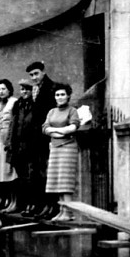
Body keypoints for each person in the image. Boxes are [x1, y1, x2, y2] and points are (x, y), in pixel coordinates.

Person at [42, 83, 81, 222]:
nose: (60, 97)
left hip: (68, 147)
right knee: (56, 180)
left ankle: (69, 212)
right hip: (55, 148)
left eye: (63, 94)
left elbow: (73, 127)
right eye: (57, 95)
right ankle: (61, 210)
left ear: (68, 96)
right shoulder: (51, 112)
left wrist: (56, 132)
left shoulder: (72, 110)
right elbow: (45, 128)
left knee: (66, 181)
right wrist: (59, 132)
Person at [26, 61, 57, 218]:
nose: (34, 77)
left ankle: (50, 207)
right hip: (35, 139)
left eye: (36, 73)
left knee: (47, 173)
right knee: (36, 174)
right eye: (31, 75)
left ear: (43, 72)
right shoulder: (35, 90)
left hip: (47, 138)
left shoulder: (52, 88)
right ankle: (40, 205)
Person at [8, 79, 36, 215]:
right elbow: (13, 125)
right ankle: (24, 204)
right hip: (18, 145)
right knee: (21, 177)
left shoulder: (34, 105)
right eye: (22, 89)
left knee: (31, 177)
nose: (24, 92)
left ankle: (32, 204)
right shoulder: (18, 105)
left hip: (30, 145)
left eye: (27, 89)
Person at [0, 79, 20, 212]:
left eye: (3, 89)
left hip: (11, 139)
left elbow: (15, 122)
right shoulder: (0, 105)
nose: (1, 92)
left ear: (9, 89)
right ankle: (8, 201)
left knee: (12, 172)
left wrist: (10, 141)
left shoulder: (14, 102)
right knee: (3, 173)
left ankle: (15, 202)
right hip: (1, 140)